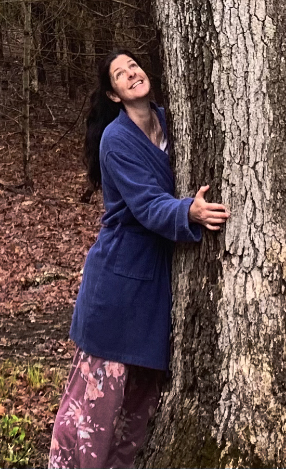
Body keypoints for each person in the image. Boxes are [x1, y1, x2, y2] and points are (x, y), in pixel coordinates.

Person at [47, 49, 229, 469]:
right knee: (96, 402)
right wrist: (189, 212)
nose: (131, 74)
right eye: (120, 74)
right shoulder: (116, 139)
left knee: (139, 405)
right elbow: (147, 206)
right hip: (116, 280)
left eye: (134, 67)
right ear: (113, 94)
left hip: (153, 285)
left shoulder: (172, 120)